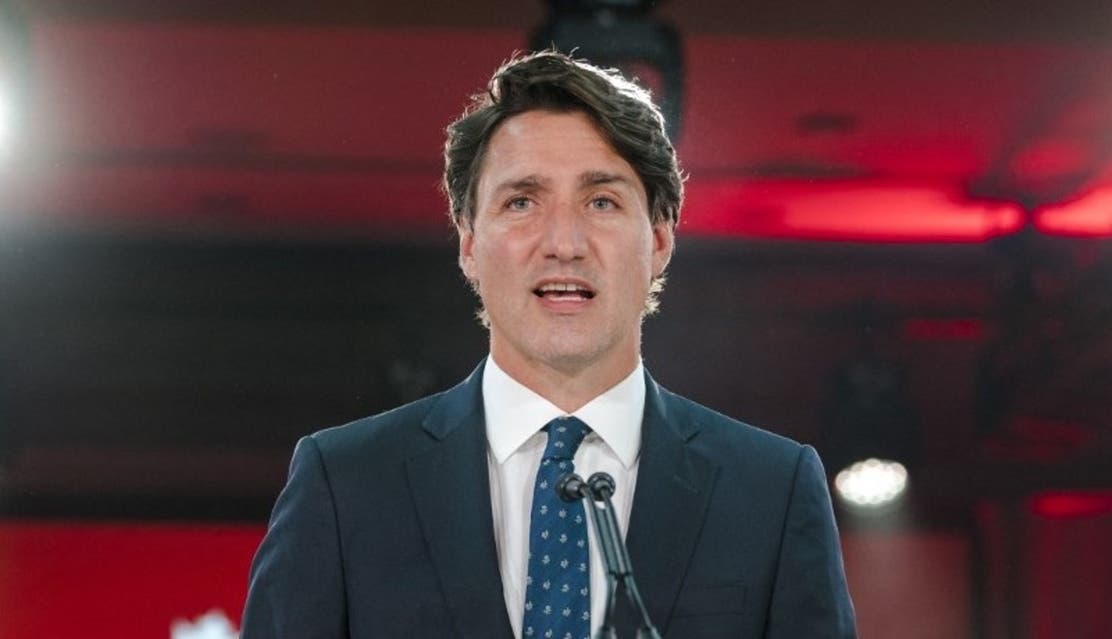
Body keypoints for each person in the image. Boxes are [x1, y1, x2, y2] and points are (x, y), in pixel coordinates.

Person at [241, 50, 856, 639]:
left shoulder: (770, 491)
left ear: (661, 239)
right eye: (522, 201)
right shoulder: (346, 484)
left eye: (602, 201)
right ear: (470, 243)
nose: (564, 241)